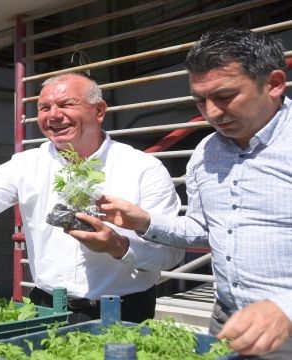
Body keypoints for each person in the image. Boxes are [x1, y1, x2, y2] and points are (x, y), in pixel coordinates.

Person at [0, 73, 185, 324]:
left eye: (65, 104)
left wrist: (119, 245)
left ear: (99, 110)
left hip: (124, 312)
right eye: (44, 108)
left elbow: (172, 252)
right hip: (47, 309)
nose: (53, 115)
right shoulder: (26, 165)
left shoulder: (142, 168)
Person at [85, 28, 292, 358]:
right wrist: (144, 221)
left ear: (274, 83)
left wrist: (285, 308)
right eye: (199, 100)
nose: (210, 113)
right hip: (227, 321)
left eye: (224, 96)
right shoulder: (206, 152)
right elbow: (202, 230)